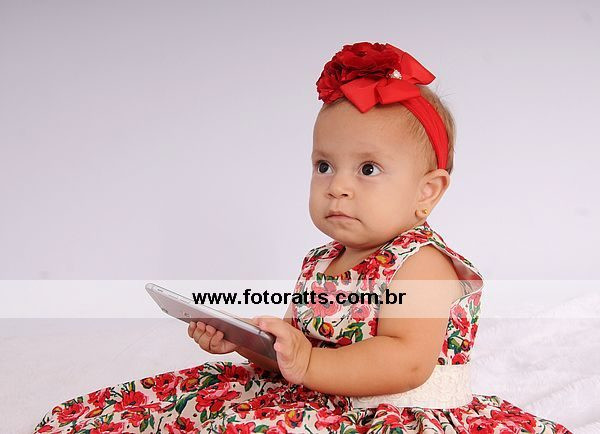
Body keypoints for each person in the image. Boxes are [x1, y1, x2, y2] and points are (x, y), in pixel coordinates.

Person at [33, 41, 573, 433]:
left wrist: (310, 365)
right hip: (321, 395)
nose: (338, 186)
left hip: (391, 413)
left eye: (367, 169)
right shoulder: (321, 260)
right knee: (195, 407)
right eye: (324, 165)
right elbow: (304, 349)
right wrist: (261, 346)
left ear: (426, 191)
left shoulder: (421, 263)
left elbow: (406, 361)